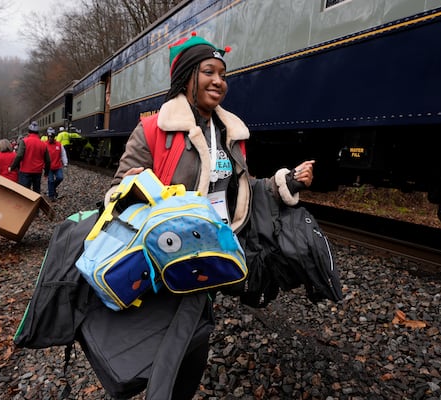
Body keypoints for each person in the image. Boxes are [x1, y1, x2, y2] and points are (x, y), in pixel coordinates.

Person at [106, 33, 315, 399]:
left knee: (196, 336)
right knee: (169, 338)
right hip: (167, 254)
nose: (219, 81)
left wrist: (287, 182)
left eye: (223, 73)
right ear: (186, 76)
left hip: (213, 249)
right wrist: (140, 188)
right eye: (208, 71)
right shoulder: (154, 129)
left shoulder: (230, 133)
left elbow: (243, 188)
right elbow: (117, 192)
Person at [9, 121, 50, 193]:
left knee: (24, 193)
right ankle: (36, 204)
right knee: (36, 192)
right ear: (38, 133)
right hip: (37, 172)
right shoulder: (43, 144)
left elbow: (19, 155)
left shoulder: (24, 141)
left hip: (25, 171)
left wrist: (12, 167)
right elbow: (48, 160)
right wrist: (46, 173)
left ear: (28, 132)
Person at [45, 127, 68, 201]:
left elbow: (63, 154)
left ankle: (51, 189)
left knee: (60, 178)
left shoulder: (59, 145)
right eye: (49, 136)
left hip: (57, 165)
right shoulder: (44, 145)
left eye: (51, 136)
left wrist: (65, 163)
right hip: (49, 167)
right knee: (50, 180)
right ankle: (51, 195)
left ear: (54, 136)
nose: (50, 138)